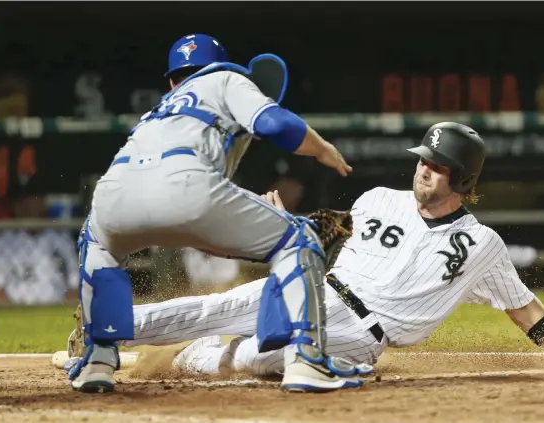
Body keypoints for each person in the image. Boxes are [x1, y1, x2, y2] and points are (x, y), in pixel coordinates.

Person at [104, 122, 544, 379]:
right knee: (210, 308)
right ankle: (98, 335)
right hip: (318, 290)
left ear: (464, 179)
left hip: (364, 333)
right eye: (422, 160)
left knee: (259, 357)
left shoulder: (481, 245)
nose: (423, 169)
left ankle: (183, 356)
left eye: (437, 164)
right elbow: (324, 232)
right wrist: (279, 221)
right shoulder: (379, 199)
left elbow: (525, 310)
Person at [68, 33, 369, 394]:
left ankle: (98, 360)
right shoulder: (226, 78)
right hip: (187, 184)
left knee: (98, 247)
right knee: (301, 238)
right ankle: (306, 361)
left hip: (113, 196)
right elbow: (276, 125)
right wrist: (321, 148)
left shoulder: (159, 111)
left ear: (171, 81)